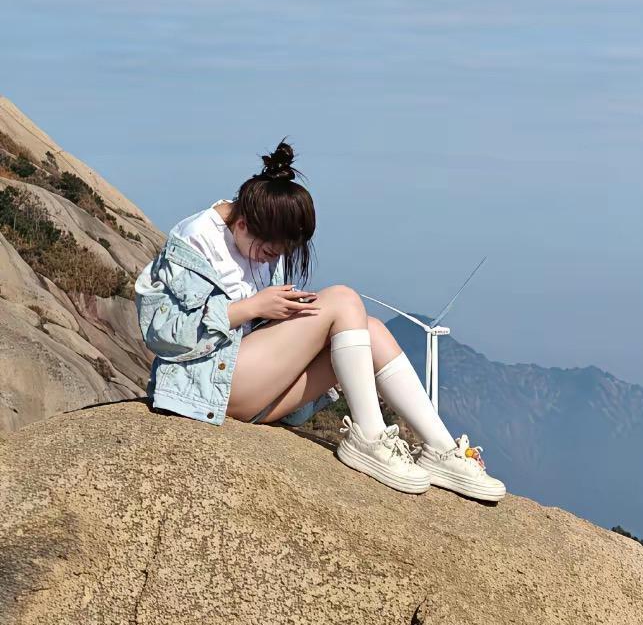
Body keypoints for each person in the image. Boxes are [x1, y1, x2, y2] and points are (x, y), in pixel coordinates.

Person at [134, 140, 506, 502]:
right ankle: (369, 440)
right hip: (211, 385)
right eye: (267, 252)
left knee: (371, 330)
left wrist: (286, 310)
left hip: (256, 384)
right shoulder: (196, 240)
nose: (269, 260)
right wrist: (251, 308)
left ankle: (441, 450)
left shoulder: (258, 231)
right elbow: (161, 333)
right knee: (343, 299)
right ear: (243, 224)